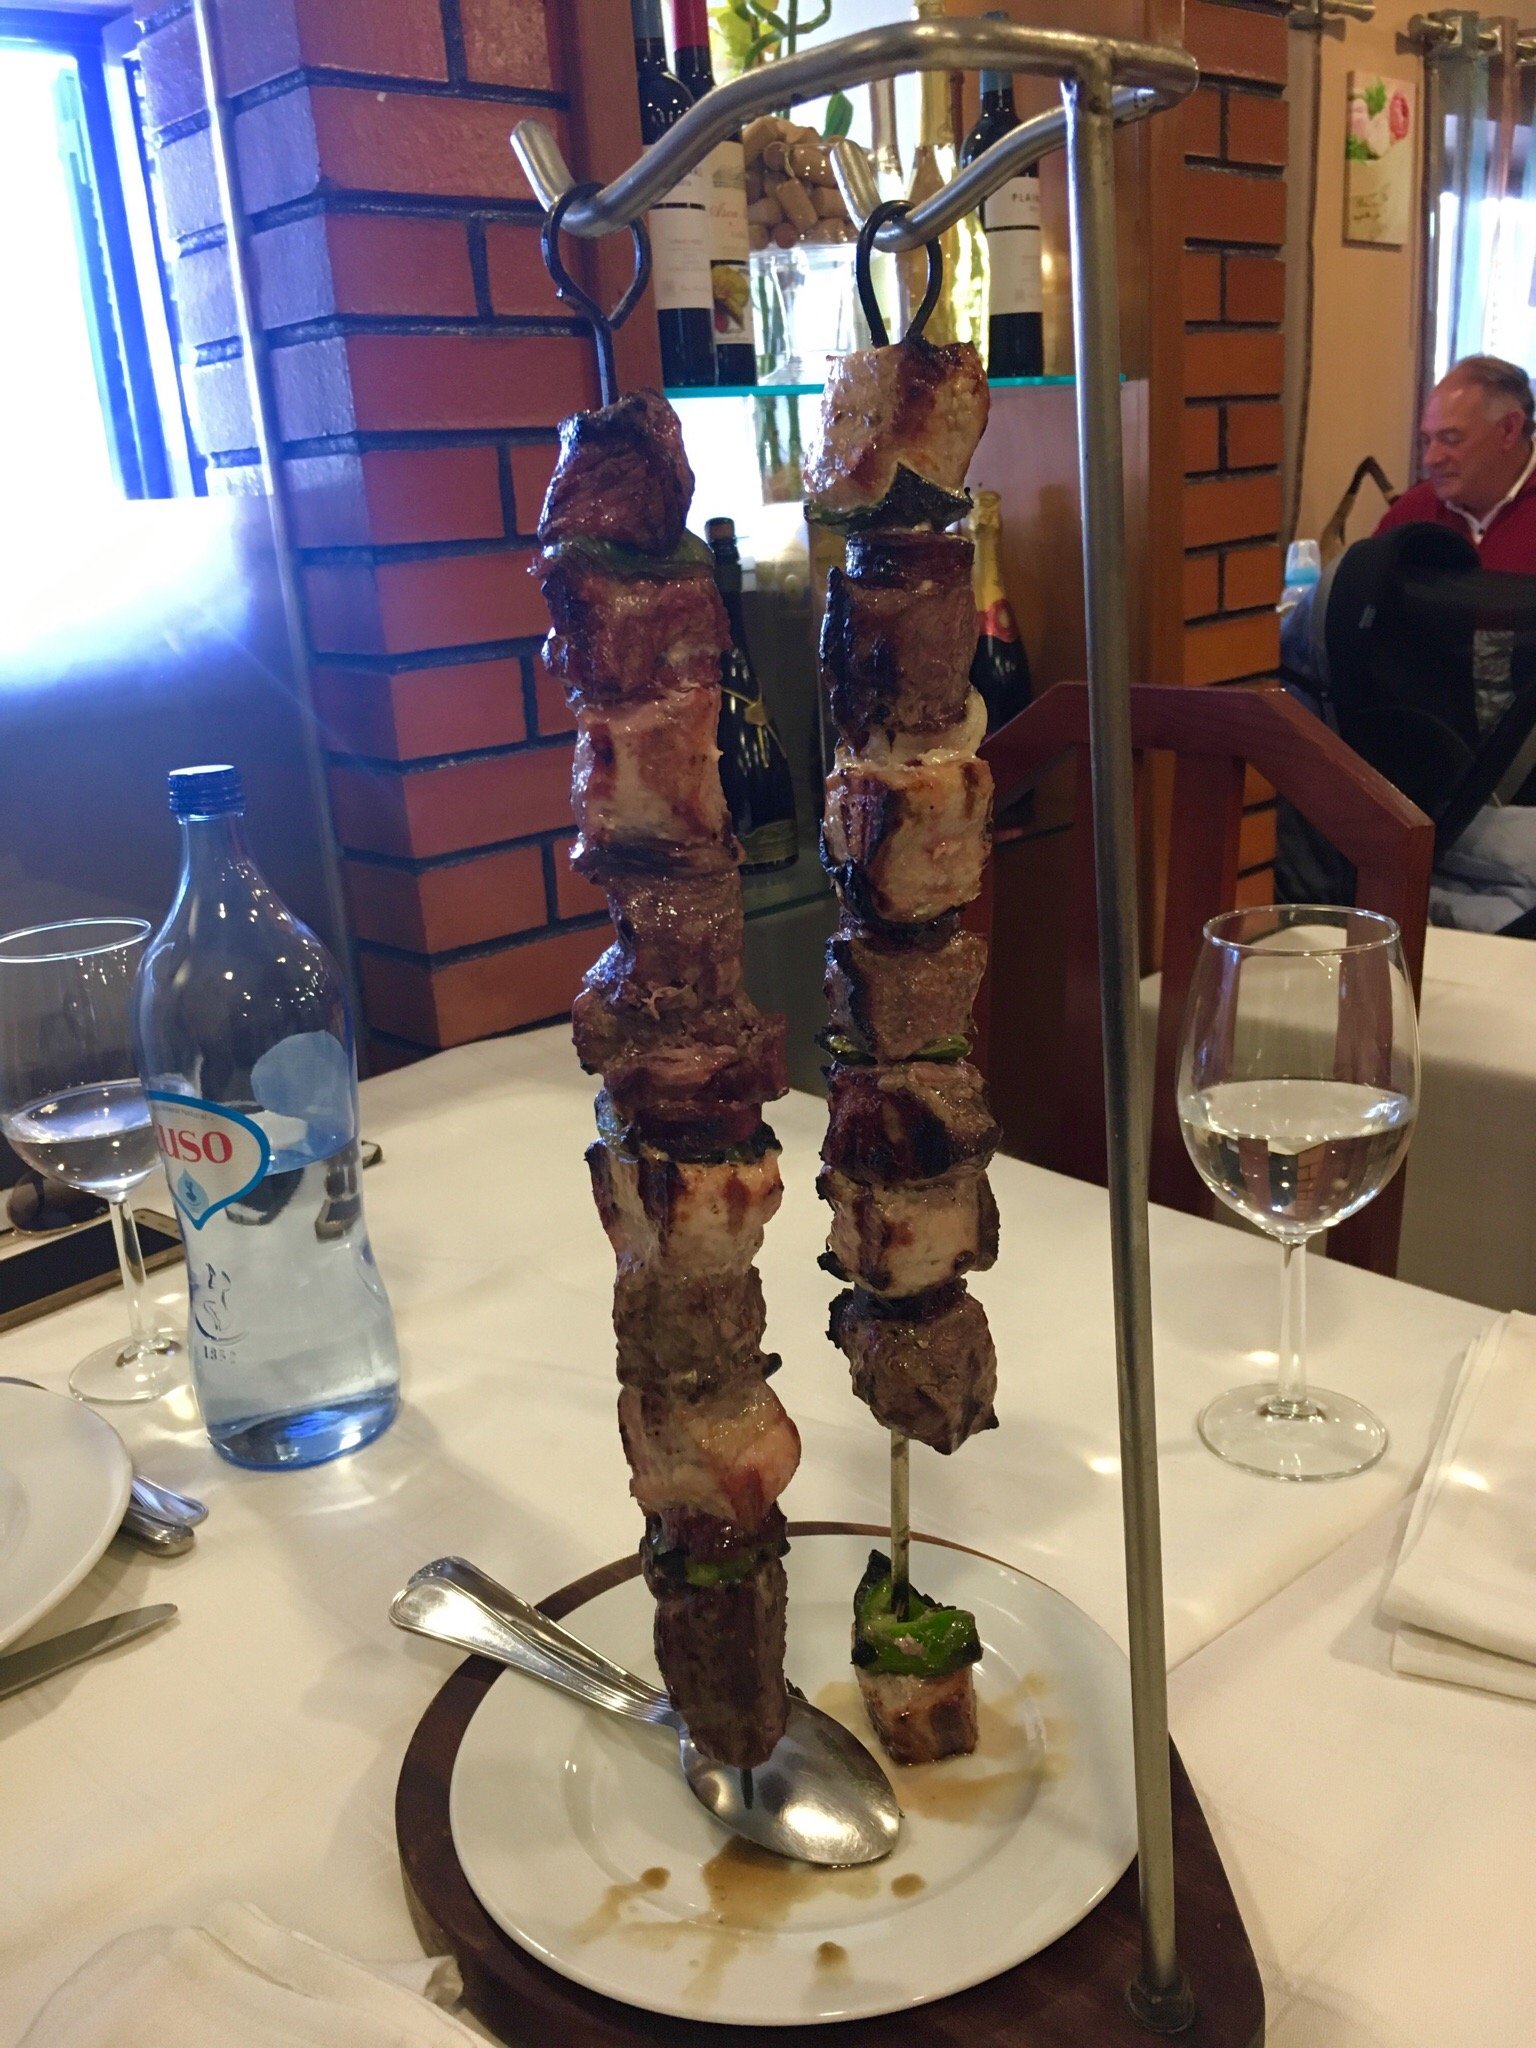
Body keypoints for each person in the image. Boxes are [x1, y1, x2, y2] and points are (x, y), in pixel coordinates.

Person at [1375, 354, 1536, 570]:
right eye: (1427, 441)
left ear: (1508, 430)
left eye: (1451, 439)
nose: (1430, 459)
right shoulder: (1413, 513)